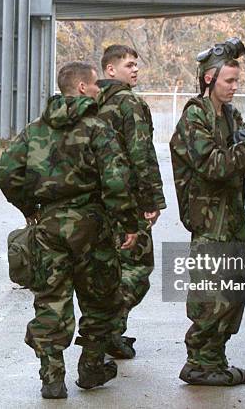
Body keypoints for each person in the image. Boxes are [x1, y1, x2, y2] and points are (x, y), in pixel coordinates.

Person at [0, 61, 138, 399]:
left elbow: (6, 172)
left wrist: (30, 208)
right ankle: (90, 367)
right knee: (100, 299)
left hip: (49, 226)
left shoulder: (35, 130)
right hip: (93, 226)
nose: (99, 90)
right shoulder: (98, 127)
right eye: (94, 85)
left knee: (50, 299)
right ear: (82, 88)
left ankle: (51, 377)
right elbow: (117, 181)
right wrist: (126, 224)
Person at [170, 38, 245, 386]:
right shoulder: (194, 117)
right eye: (229, 81)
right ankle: (199, 362)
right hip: (209, 222)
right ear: (208, 80)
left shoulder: (231, 116)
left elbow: (244, 167)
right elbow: (214, 166)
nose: (235, 87)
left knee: (231, 294)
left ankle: (214, 359)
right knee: (210, 295)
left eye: (237, 81)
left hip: (231, 218)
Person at [96, 44, 166, 359]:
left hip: (98, 200)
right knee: (137, 267)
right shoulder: (129, 103)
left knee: (109, 267)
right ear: (110, 70)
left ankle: (110, 332)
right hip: (128, 200)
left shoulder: (92, 102)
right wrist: (151, 200)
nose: (135, 70)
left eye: (136, 65)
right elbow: (141, 154)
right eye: (128, 65)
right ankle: (107, 329)